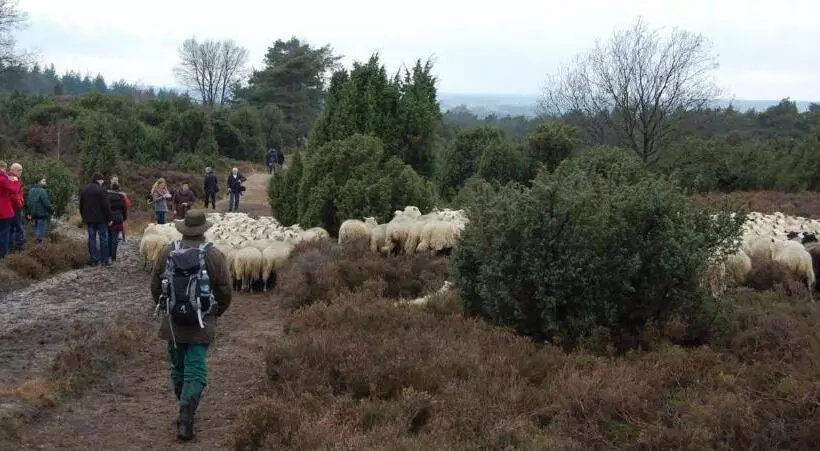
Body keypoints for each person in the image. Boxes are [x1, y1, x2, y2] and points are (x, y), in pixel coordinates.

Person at [149, 210, 232, 441]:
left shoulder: (167, 251)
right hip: (201, 322)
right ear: (204, 230)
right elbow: (225, 291)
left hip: (173, 323)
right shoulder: (214, 255)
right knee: (195, 367)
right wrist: (214, 313)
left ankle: (183, 406)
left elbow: (155, 285)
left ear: (183, 229)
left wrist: (168, 308)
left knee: (178, 367)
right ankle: (186, 417)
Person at [79, 172, 112, 266]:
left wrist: (84, 217)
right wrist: (109, 218)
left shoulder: (84, 189)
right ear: (98, 180)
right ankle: (105, 260)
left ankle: (93, 260)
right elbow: (106, 206)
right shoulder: (101, 190)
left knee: (91, 239)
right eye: (102, 180)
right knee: (103, 238)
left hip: (89, 219)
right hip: (101, 219)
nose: (103, 182)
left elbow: (81, 205)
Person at [26, 176, 55, 245]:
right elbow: (46, 203)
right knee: (40, 229)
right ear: (39, 182)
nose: (45, 182)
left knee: (37, 228)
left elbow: (29, 202)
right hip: (41, 213)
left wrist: (29, 212)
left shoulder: (31, 190)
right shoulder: (42, 191)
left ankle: (37, 244)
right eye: (43, 181)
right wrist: (52, 210)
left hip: (33, 213)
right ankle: (38, 246)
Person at [106, 181, 128, 262]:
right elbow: (124, 209)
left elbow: (105, 208)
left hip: (109, 218)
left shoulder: (107, 196)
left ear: (111, 187)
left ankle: (108, 254)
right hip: (118, 218)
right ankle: (113, 256)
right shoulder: (121, 197)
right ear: (118, 188)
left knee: (109, 236)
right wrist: (123, 218)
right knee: (115, 237)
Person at [7, 163, 24, 253]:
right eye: (19, 170)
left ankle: (9, 249)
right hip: (15, 208)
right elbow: (14, 194)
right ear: (13, 170)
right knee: (19, 228)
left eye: (21, 170)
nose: (21, 172)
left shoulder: (8, 178)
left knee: (10, 228)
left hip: (10, 207)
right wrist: (20, 204)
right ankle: (19, 249)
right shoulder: (14, 179)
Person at [0, 161, 16, 258]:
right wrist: (14, 181)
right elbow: (13, 189)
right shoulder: (2, 179)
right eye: (4, 168)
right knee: (4, 232)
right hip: (3, 209)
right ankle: (3, 254)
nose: (5, 170)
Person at [109, 176, 131, 242]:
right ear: (111, 180)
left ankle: (117, 237)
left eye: (116, 180)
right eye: (114, 180)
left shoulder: (121, 191)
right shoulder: (107, 189)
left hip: (118, 214)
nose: (115, 181)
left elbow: (127, 205)